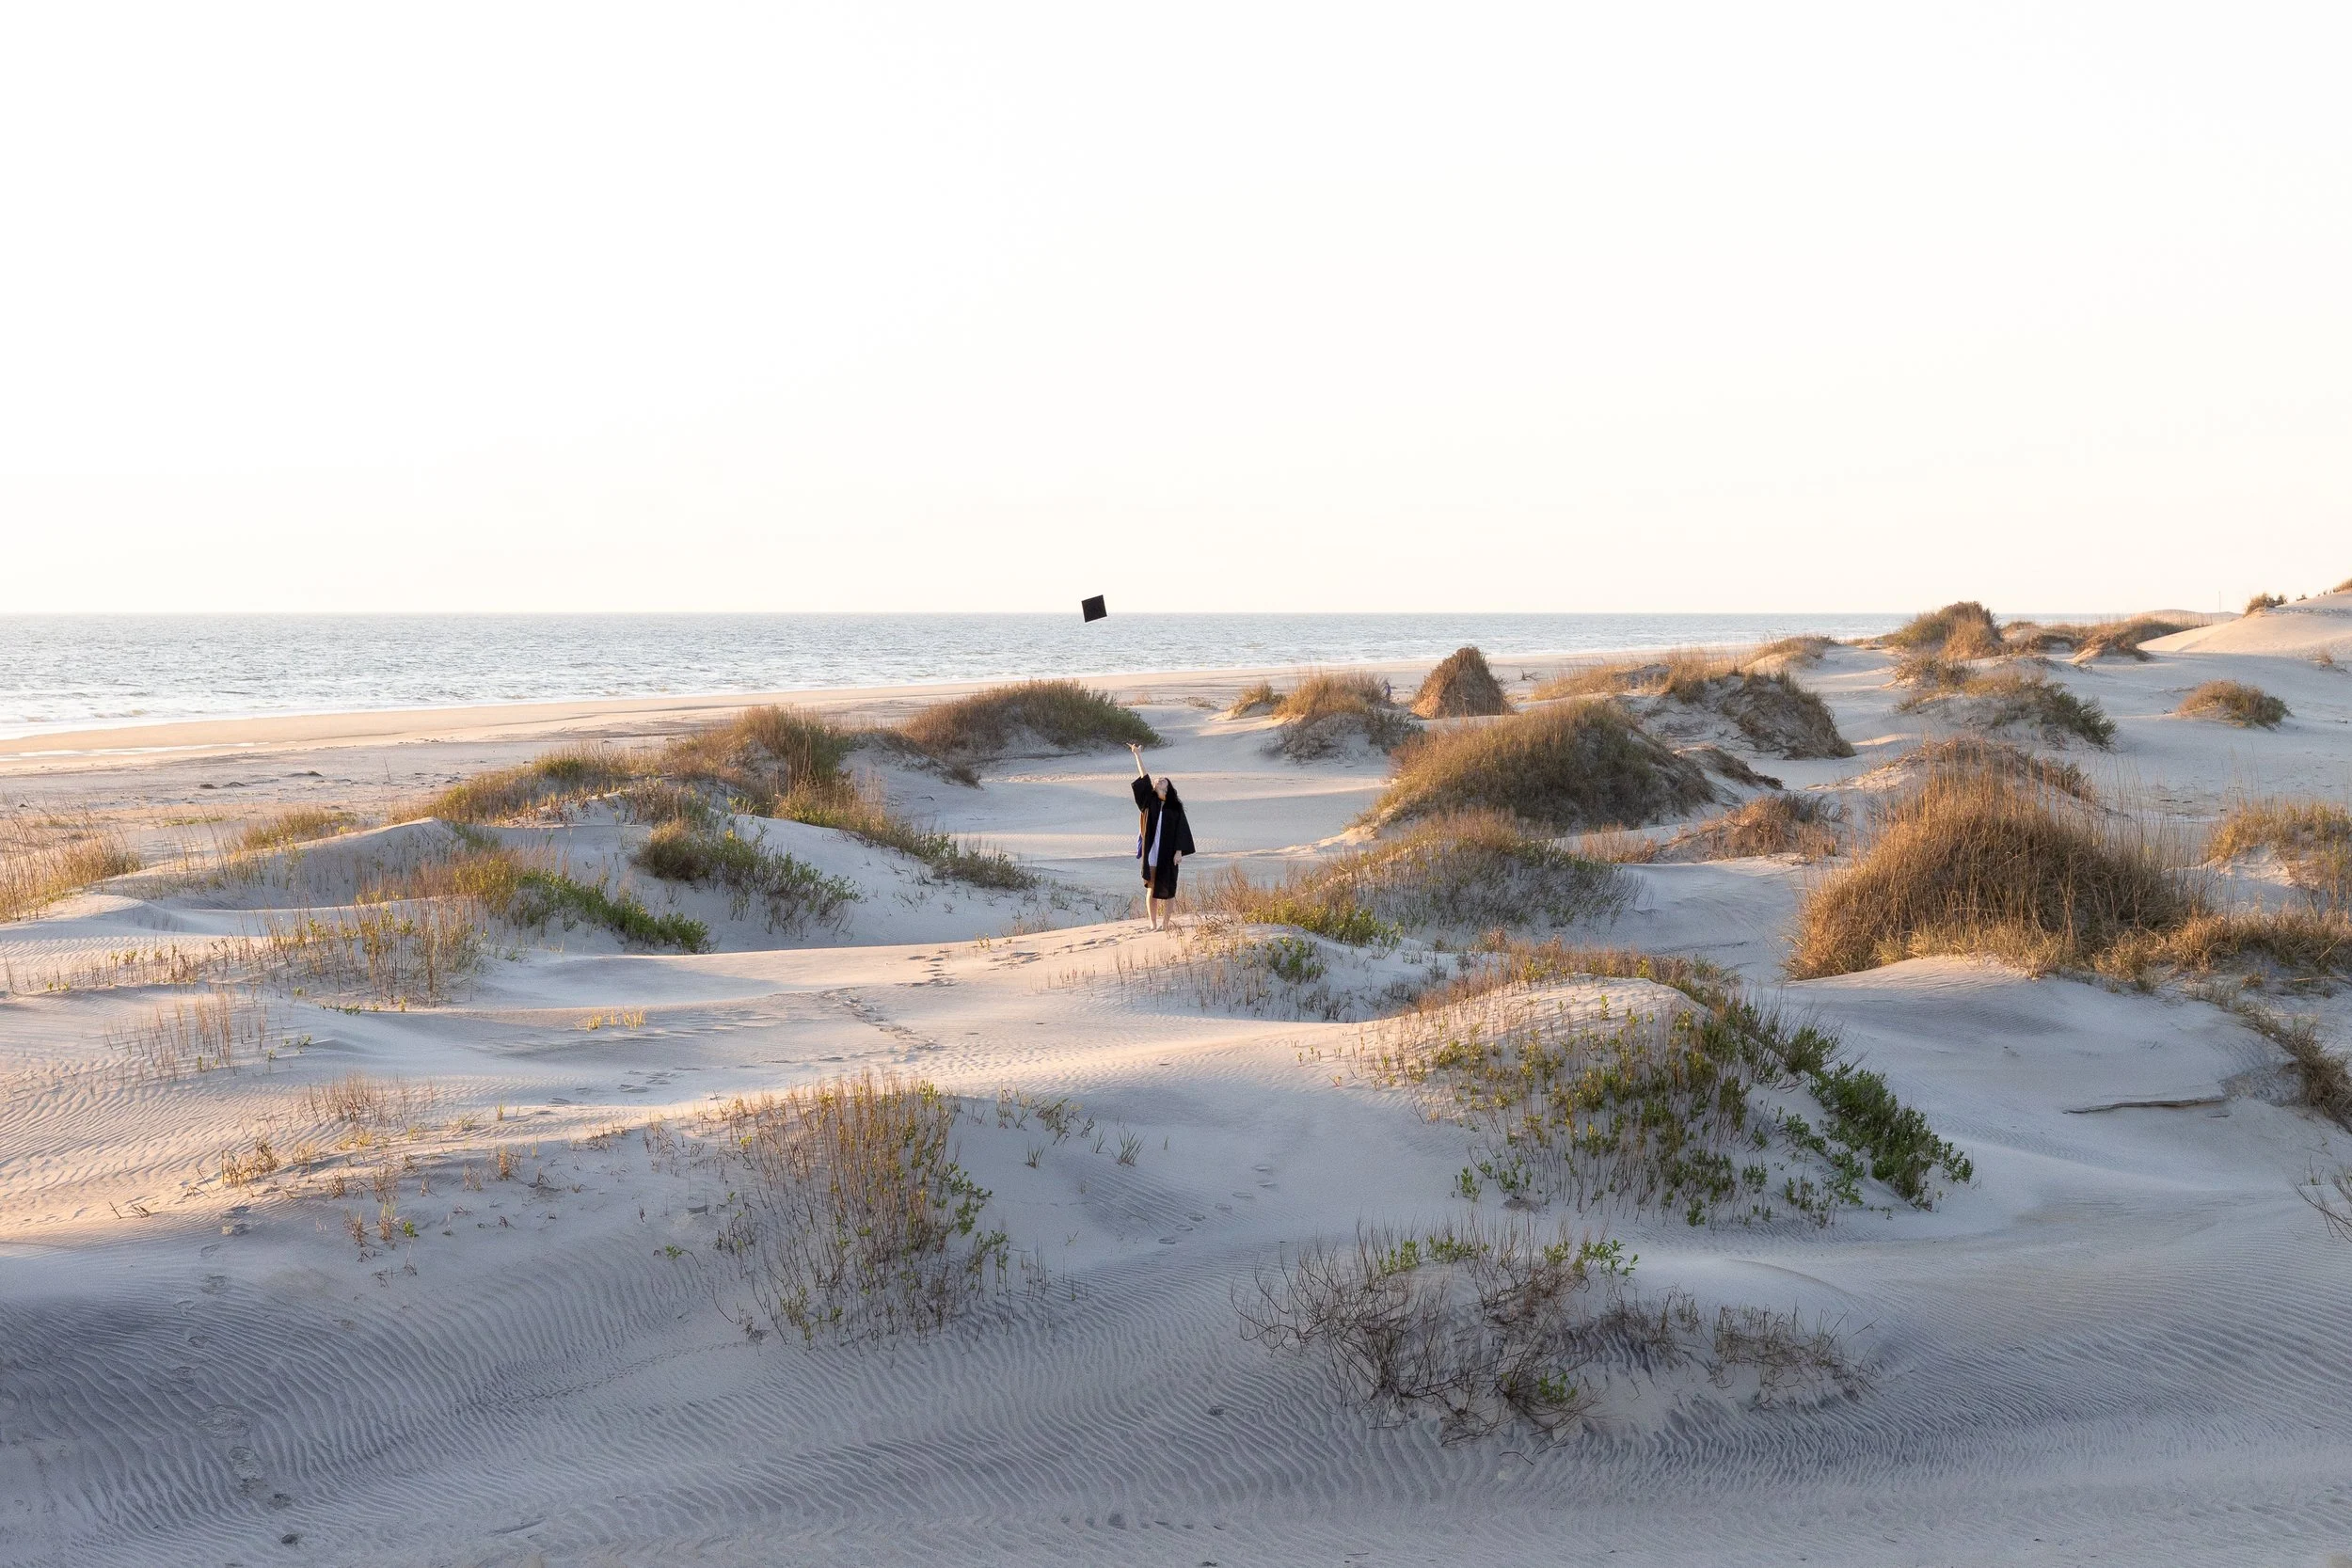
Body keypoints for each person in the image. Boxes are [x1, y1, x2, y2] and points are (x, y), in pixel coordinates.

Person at [1129, 742, 1194, 930]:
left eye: (1163, 780)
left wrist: (1179, 852)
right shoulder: (1149, 802)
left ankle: (1166, 923)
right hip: (1152, 852)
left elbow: (1182, 829)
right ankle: (1153, 922)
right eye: (1158, 780)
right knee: (1151, 887)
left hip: (1169, 854)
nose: (1159, 781)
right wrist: (1137, 754)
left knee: (1169, 889)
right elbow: (1144, 777)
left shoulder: (1175, 807)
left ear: (1168, 786)